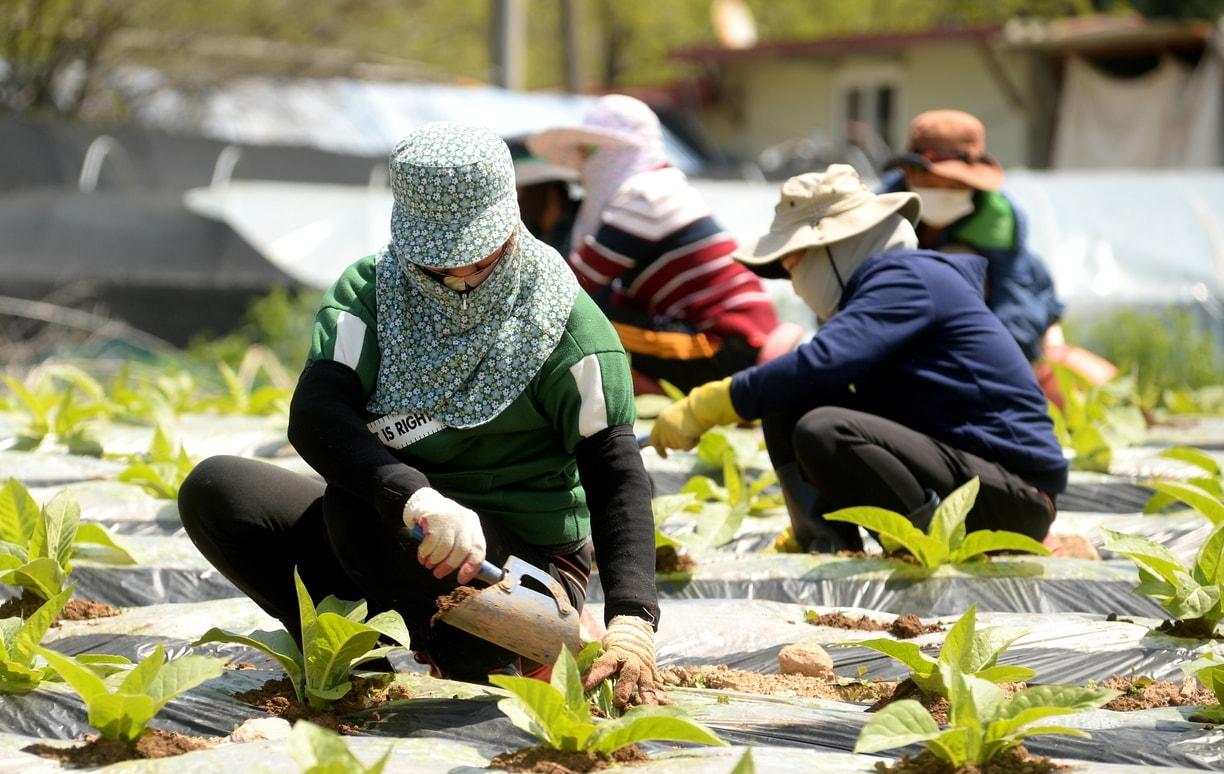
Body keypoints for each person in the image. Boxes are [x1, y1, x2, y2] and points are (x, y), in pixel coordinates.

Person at [179, 123, 664, 706]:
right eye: (440, 265)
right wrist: (417, 496)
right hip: (399, 520)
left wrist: (633, 618)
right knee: (219, 490)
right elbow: (318, 411)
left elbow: (615, 475)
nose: (461, 277)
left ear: (511, 226)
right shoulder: (372, 292)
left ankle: (521, 654)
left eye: (480, 260)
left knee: (361, 515)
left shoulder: (569, 329)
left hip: (513, 562)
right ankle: (360, 659)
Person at [648, 165, 1068, 553]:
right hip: (972, 474)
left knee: (824, 428)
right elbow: (804, 378)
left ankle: (921, 544)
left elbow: (821, 362)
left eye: (794, 265)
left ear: (834, 246)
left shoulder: (907, 279)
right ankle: (825, 542)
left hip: (1015, 495)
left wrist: (713, 403)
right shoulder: (897, 282)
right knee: (789, 399)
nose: (796, 285)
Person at [528, 94, 782, 394]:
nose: (584, 166)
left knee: (583, 324)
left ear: (616, 151)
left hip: (724, 343)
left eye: (590, 151)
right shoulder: (662, 189)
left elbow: (571, 284)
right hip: (727, 337)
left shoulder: (646, 197)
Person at [878, 109, 1064, 364]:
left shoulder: (998, 219)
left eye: (955, 184)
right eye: (933, 182)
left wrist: (991, 360)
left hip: (980, 332)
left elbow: (1013, 303)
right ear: (909, 173)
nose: (943, 191)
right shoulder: (881, 210)